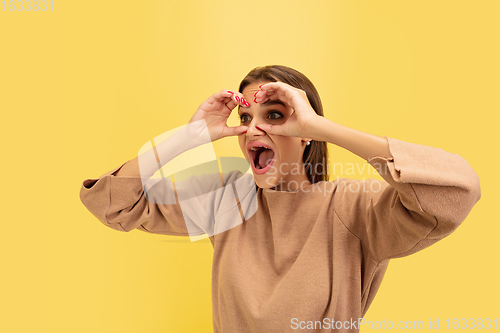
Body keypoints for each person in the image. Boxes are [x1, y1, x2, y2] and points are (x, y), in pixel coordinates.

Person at [79, 65, 481, 332]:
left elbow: (456, 191)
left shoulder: (354, 206)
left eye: (274, 115)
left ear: (306, 133)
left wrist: (320, 126)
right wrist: (187, 137)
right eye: (245, 118)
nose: (254, 129)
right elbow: (113, 203)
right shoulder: (227, 200)